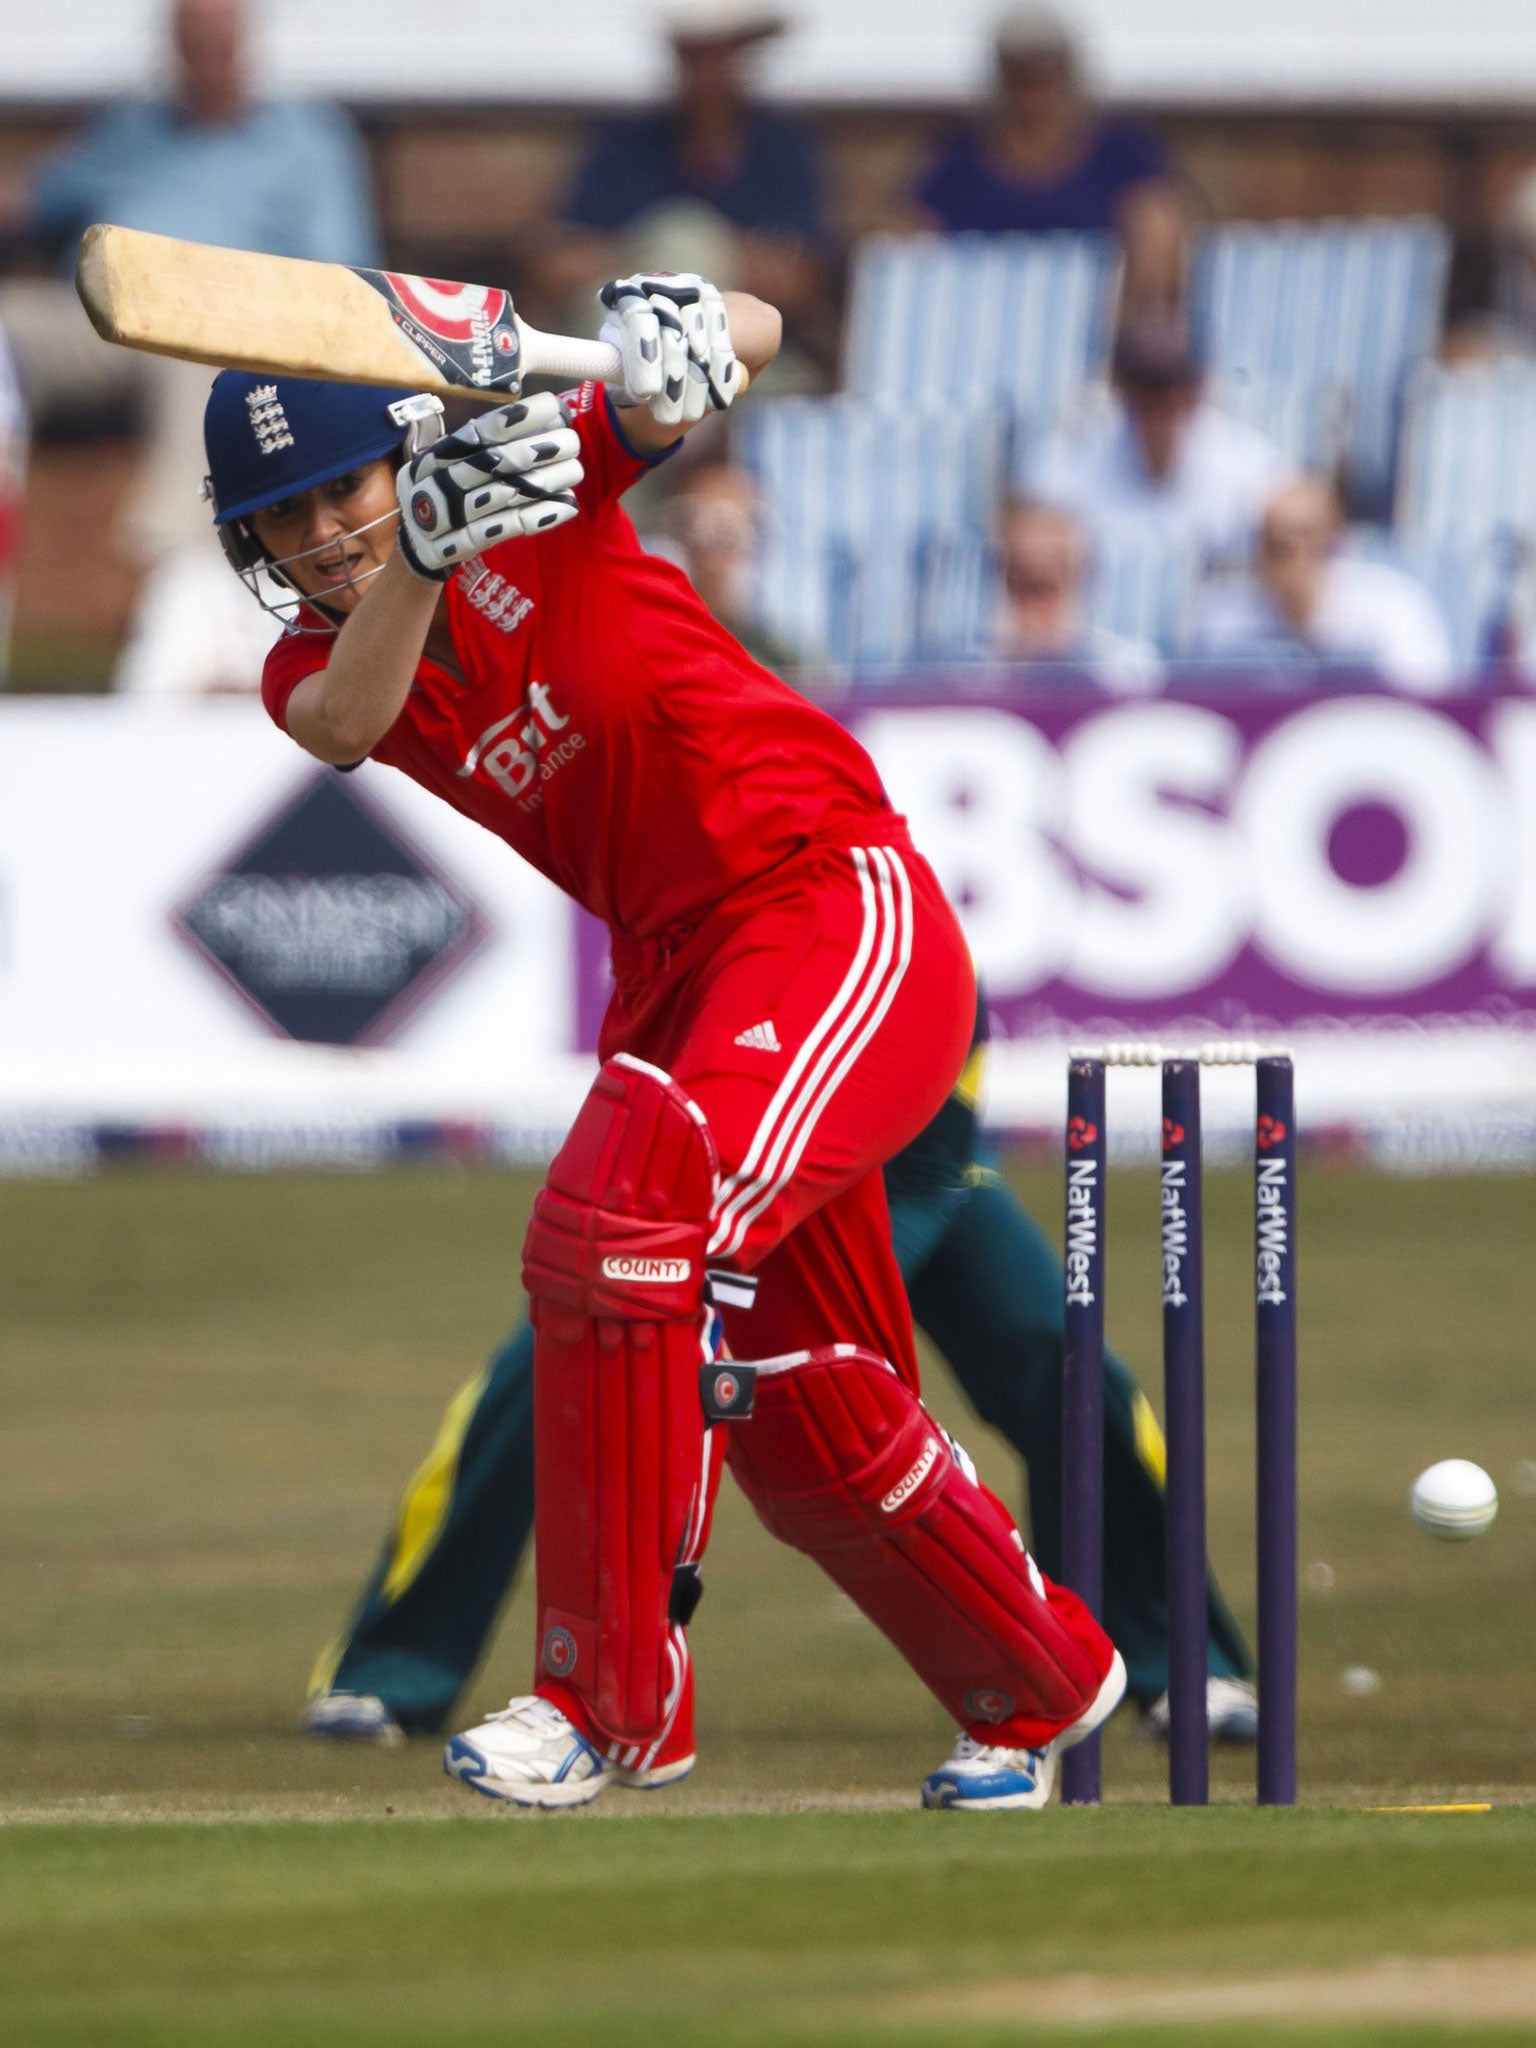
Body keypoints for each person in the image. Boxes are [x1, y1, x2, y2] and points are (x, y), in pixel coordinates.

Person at [203, 268, 1124, 1812]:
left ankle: (610, 1702)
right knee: (801, 1400)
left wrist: (690, 326)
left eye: (337, 494)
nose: (317, 541)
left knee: (632, 1240)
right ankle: (1038, 1685)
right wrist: (420, 544)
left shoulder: (535, 488)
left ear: (406, 450)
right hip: (679, 974)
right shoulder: (316, 658)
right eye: (280, 523)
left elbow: (736, 350)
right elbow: (351, 721)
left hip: (827, 900)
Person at [304, 1006, 1256, 1753]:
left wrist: (807, 1331)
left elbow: (920, 1177)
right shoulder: (704, 948)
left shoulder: (909, 945)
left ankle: (1181, 1664)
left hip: (905, 1189)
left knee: (1068, 1360)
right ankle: (392, 1667)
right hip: (725, 1200)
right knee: (548, 1368)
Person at [0, 0, 380, 569]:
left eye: (217, 38)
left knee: (192, 356)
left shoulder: (309, 138)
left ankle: (174, 570)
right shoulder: (131, 127)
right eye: (191, 39)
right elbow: (32, 199)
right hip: (89, 317)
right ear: (173, 45)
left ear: (243, 41)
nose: (205, 55)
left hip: (212, 327)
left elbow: (342, 271)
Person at [538, 3, 829, 382]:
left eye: (720, 53)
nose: (708, 71)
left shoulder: (782, 149)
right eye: (696, 54)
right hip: (614, 350)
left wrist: (698, 255)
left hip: (740, 359)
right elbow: (556, 262)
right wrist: (662, 258)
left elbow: (797, 281)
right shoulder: (626, 144)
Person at [913, 6, 1186, 316]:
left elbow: (1161, 229)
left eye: (1043, 77)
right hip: (978, 319)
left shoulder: (1120, 154)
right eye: (1020, 78)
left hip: (1096, 323)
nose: (1032, 94)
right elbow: (905, 229)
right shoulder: (959, 157)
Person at [1026, 312, 1291, 576]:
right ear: (1121, 388)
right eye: (1146, 386)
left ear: (1198, 388)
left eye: (1175, 386)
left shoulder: (1254, 470)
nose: (1162, 401)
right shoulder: (1065, 464)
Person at [1188, 474, 1457, 692]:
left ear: (1333, 540)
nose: (1289, 556)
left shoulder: (1392, 606)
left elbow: (1429, 698)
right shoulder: (1229, 625)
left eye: (1302, 536)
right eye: (1273, 543)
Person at [990, 497, 1160, 689]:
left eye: (1045, 590)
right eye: (1023, 589)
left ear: (1081, 579)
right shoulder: (973, 678)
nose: (1034, 612)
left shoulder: (1127, 673)